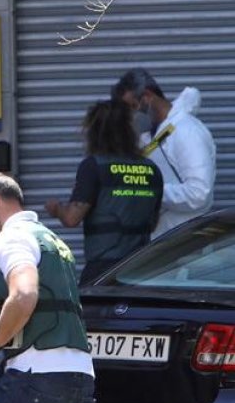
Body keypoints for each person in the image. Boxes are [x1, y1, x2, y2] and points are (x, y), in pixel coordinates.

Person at [0, 172, 95, 403]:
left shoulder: (12, 236)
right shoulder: (53, 240)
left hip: (36, 376)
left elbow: (24, 295)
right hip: (81, 378)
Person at [45, 100, 164, 284]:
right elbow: (153, 223)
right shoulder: (152, 169)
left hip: (104, 271)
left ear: (94, 133)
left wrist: (56, 208)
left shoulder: (94, 166)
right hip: (142, 271)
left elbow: (71, 218)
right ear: (129, 131)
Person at [112, 68, 215, 237]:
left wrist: (148, 190)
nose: (131, 115)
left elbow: (199, 194)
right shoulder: (155, 135)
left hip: (187, 241)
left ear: (147, 96)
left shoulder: (187, 132)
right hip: (165, 241)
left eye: (133, 107)